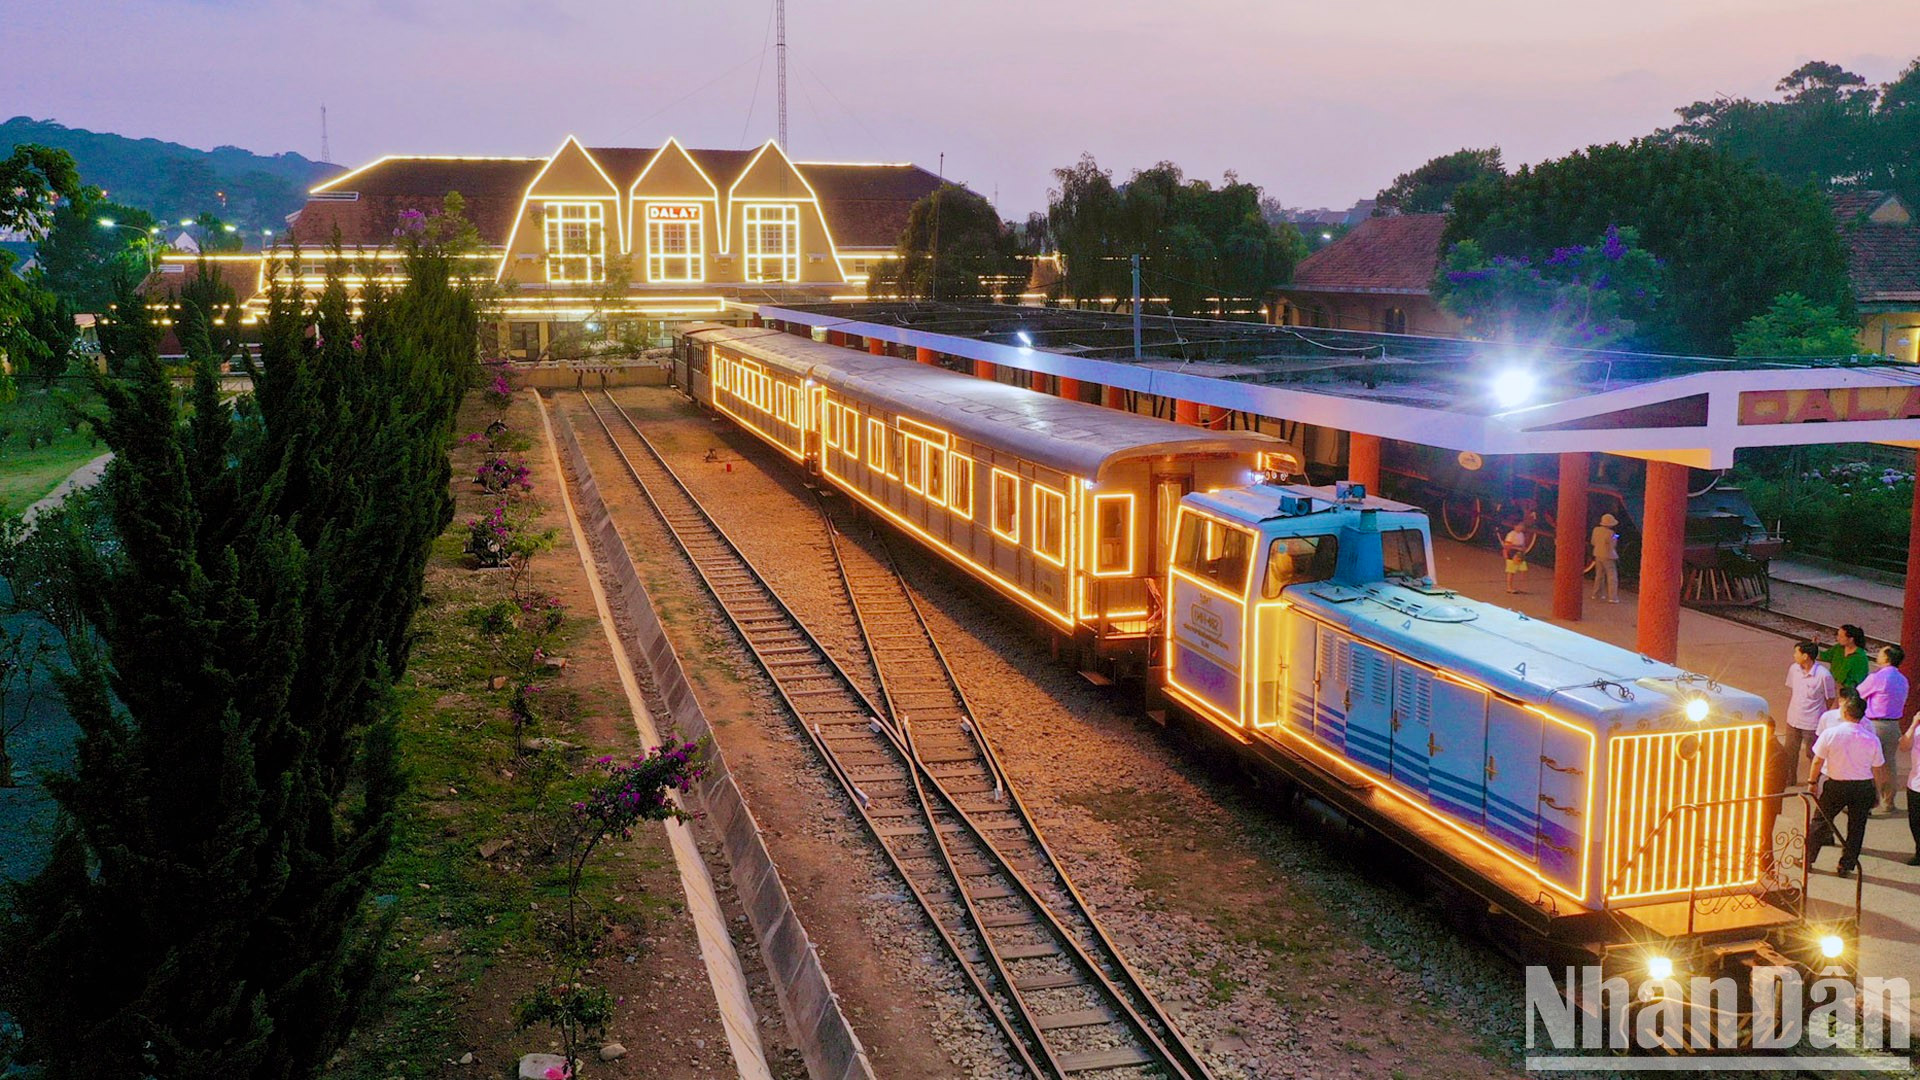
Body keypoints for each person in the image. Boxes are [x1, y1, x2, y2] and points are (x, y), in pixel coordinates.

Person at [1808, 694, 1886, 876]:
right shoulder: (1871, 738)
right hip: (1862, 787)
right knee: (1857, 827)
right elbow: (1878, 769)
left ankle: (1808, 859)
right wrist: (1877, 791)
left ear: (1844, 712)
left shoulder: (1831, 734)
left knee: (1820, 822)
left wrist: (1812, 782)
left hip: (1835, 785)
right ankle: (1847, 864)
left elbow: (1817, 761)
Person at [1855, 644, 1908, 813]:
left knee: (1870, 764)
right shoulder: (1903, 679)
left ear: (1886, 658)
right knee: (1889, 764)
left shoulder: (1877, 677)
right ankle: (1888, 801)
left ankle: (1868, 802)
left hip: (1875, 724)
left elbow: (1858, 694)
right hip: (1894, 724)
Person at [1783, 641, 1837, 785]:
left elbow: (1830, 698)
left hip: (1812, 723)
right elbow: (1792, 689)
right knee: (1790, 751)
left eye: (1797, 653)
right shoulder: (1794, 669)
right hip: (1793, 719)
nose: (1794, 655)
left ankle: (1816, 781)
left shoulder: (1824, 675)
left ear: (1805, 656)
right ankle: (1789, 779)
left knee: (1812, 753)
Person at [1821, 624, 1870, 696]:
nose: (1838, 638)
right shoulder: (1838, 648)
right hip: (1831, 688)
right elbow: (1824, 656)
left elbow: (1858, 680)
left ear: (1851, 639)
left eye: (1841, 636)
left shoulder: (1860, 657)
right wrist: (1813, 647)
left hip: (1847, 694)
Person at [1899, 720, 1920, 866]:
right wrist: (1913, 724)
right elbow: (1904, 746)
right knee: (1915, 822)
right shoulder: (1917, 729)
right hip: (1916, 783)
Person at [1590, 513, 1621, 603]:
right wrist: (1616, 537)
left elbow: (1593, 542)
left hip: (1597, 554)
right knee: (1612, 576)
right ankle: (1613, 597)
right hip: (1608, 555)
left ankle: (1596, 594)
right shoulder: (1611, 533)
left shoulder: (1596, 530)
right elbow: (1613, 545)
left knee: (1599, 575)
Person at [1502, 521, 1530, 594]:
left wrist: (1523, 549)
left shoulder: (1521, 534)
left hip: (1520, 554)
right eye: (1520, 525)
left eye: (1522, 526)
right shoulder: (1511, 534)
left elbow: (1523, 544)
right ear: (1515, 526)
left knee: (1523, 570)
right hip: (1512, 553)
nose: (1521, 527)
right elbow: (1507, 545)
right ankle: (1509, 587)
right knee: (1511, 571)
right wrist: (1517, 548)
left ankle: (1521, 587)